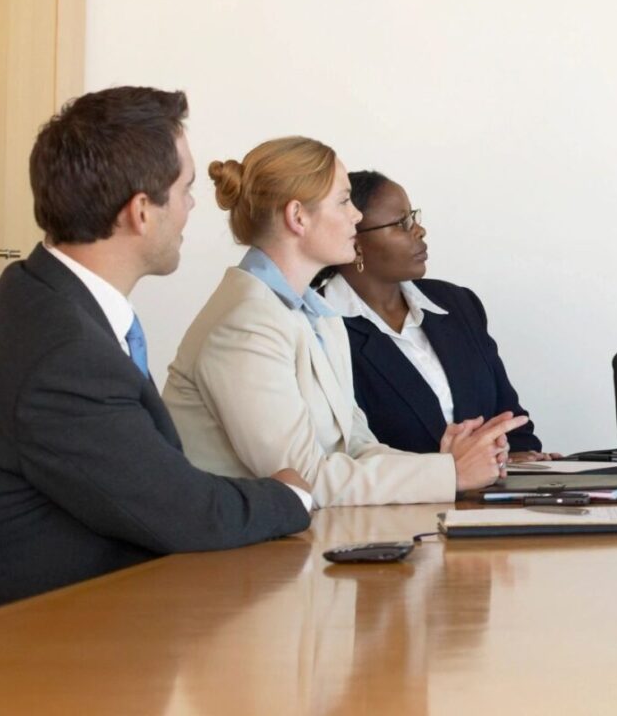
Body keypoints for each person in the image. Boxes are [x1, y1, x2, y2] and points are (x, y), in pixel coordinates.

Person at [0, 87, 311, 617]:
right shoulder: (60, 354)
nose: (192, 207)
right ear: (142, 211)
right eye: (186, 189)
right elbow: (184, 513)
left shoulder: (43, 298)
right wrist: (291, 494)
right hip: (33, 656)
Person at [164, 137, 525, 506]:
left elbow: (358, 446)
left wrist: (451, 466)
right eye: (343, 201)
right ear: (298, 217)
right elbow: (301, 482)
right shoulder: (244, 325)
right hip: (237, 559)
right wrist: (450, 473)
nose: (356, 215)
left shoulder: (315, 315)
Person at [314, 170, 554, 459]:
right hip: (396, 501)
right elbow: (344, 455)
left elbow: (511, 422)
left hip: (496, 495)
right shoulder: (318, 324)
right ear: (355, 239)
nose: (419, 231)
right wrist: (452, 471)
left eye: (414, 218)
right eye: (402, 223)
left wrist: (522, 459)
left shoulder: (457, 304)